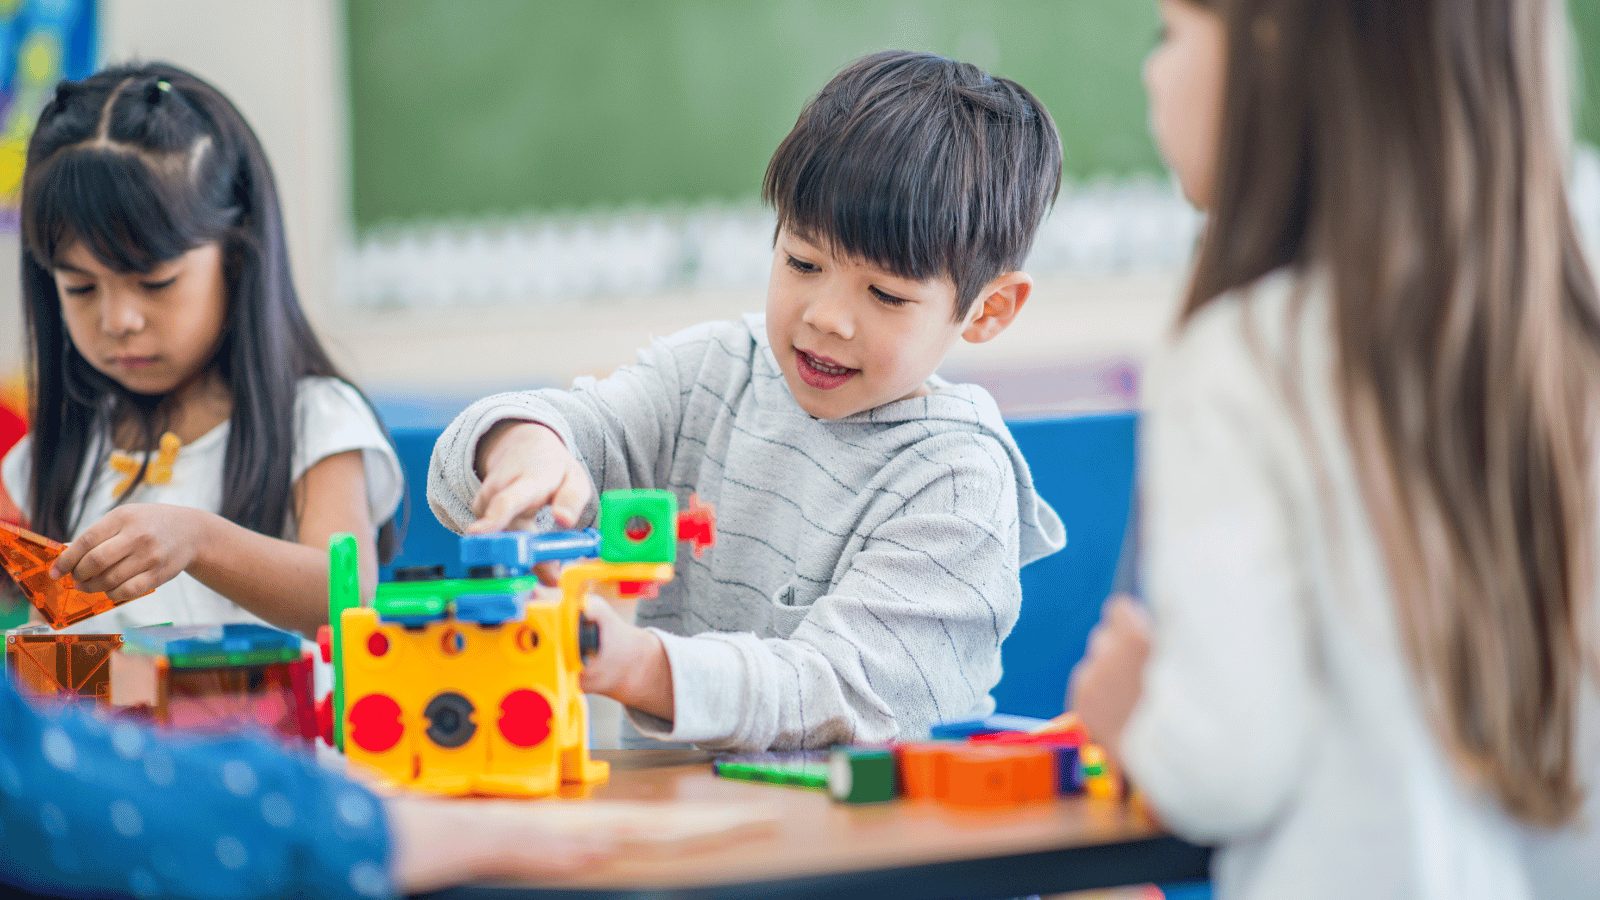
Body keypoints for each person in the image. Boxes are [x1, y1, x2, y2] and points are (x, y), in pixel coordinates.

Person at [1069, 1, 1600, 896]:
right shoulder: (1566, 354)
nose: (1155, 73)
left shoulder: (1247, 361)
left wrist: (1136, 720)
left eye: (1173, 34)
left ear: (1277, 62)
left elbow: (1228, 766)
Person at [429, 50, 1067, 751]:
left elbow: (845, 691)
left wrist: (642, 668)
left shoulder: (956, 484)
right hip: (696, 834)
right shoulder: (709, 375)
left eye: (885, 294)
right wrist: (525, 447)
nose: (827, 317)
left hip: (874, 845)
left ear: (988, 309)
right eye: (802, 262)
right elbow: (531, 448)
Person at [2, 63, 402, 636]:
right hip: (106, 729)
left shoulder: (316, 418)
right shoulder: (69, 441)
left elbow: (344, 595)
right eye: (80, 288)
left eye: (155, 282)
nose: (119, 320)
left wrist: (199, 539)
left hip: (267, 729)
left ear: (235, 260)